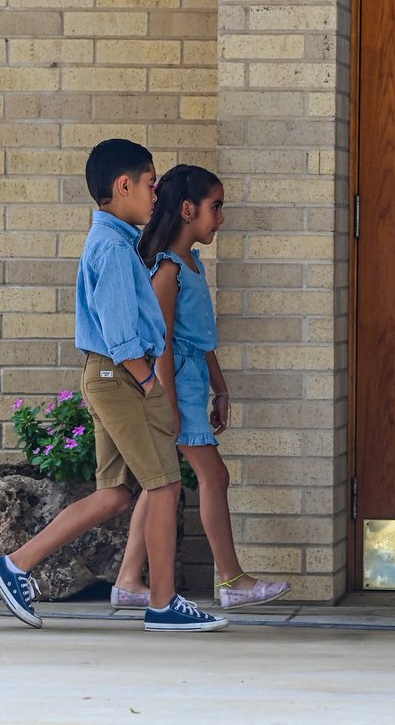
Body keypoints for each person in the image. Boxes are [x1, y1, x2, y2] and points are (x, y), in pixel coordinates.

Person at [0, 139, 227, 633]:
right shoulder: (115, 248)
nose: (156, 194)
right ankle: (163, 604)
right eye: (150, 183)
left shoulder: (114, 241)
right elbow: (121, 335)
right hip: (122, 377)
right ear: (124, 186)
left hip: (110, 376)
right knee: (165, 486)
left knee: (116, 494)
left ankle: (15, 566)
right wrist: (151, 385)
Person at [109, 165, 292, 611]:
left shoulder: (192, 264)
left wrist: (221, 389)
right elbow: (162, 344)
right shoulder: (168, 270)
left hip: (192, 386)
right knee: (214, 476)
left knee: (160, 483)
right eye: (216, 207)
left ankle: (128, 579)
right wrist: (167, 404)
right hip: (175, 390)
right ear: (188, 209)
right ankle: (232, 580)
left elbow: (201, 340)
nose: (221, 218)